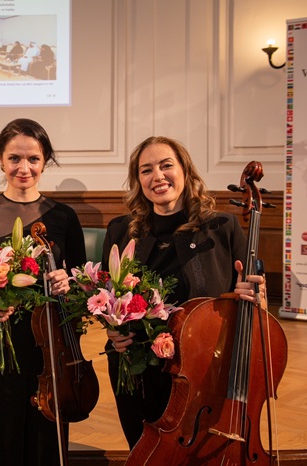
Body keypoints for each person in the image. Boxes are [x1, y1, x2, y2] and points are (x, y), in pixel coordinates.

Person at [102, 135, 268, 450]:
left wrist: (252, 292)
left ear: (185, 171)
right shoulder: (121, 230)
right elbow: (107, 297)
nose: (158, 176)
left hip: (204, 366)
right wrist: (112, 331)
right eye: (146, 170)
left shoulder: (222, 227)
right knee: (146, 450)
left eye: (166, 165)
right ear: (138, 180)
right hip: (137, 365)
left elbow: (253, 293)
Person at [0, 118, 86, 466]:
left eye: (33, 158)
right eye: (14, 158)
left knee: (45, 436)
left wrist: (68, 282)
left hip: (48, 344)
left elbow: (82, 280)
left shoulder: (64, 217)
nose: (24, 167)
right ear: (1, 160)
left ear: (45, 160)